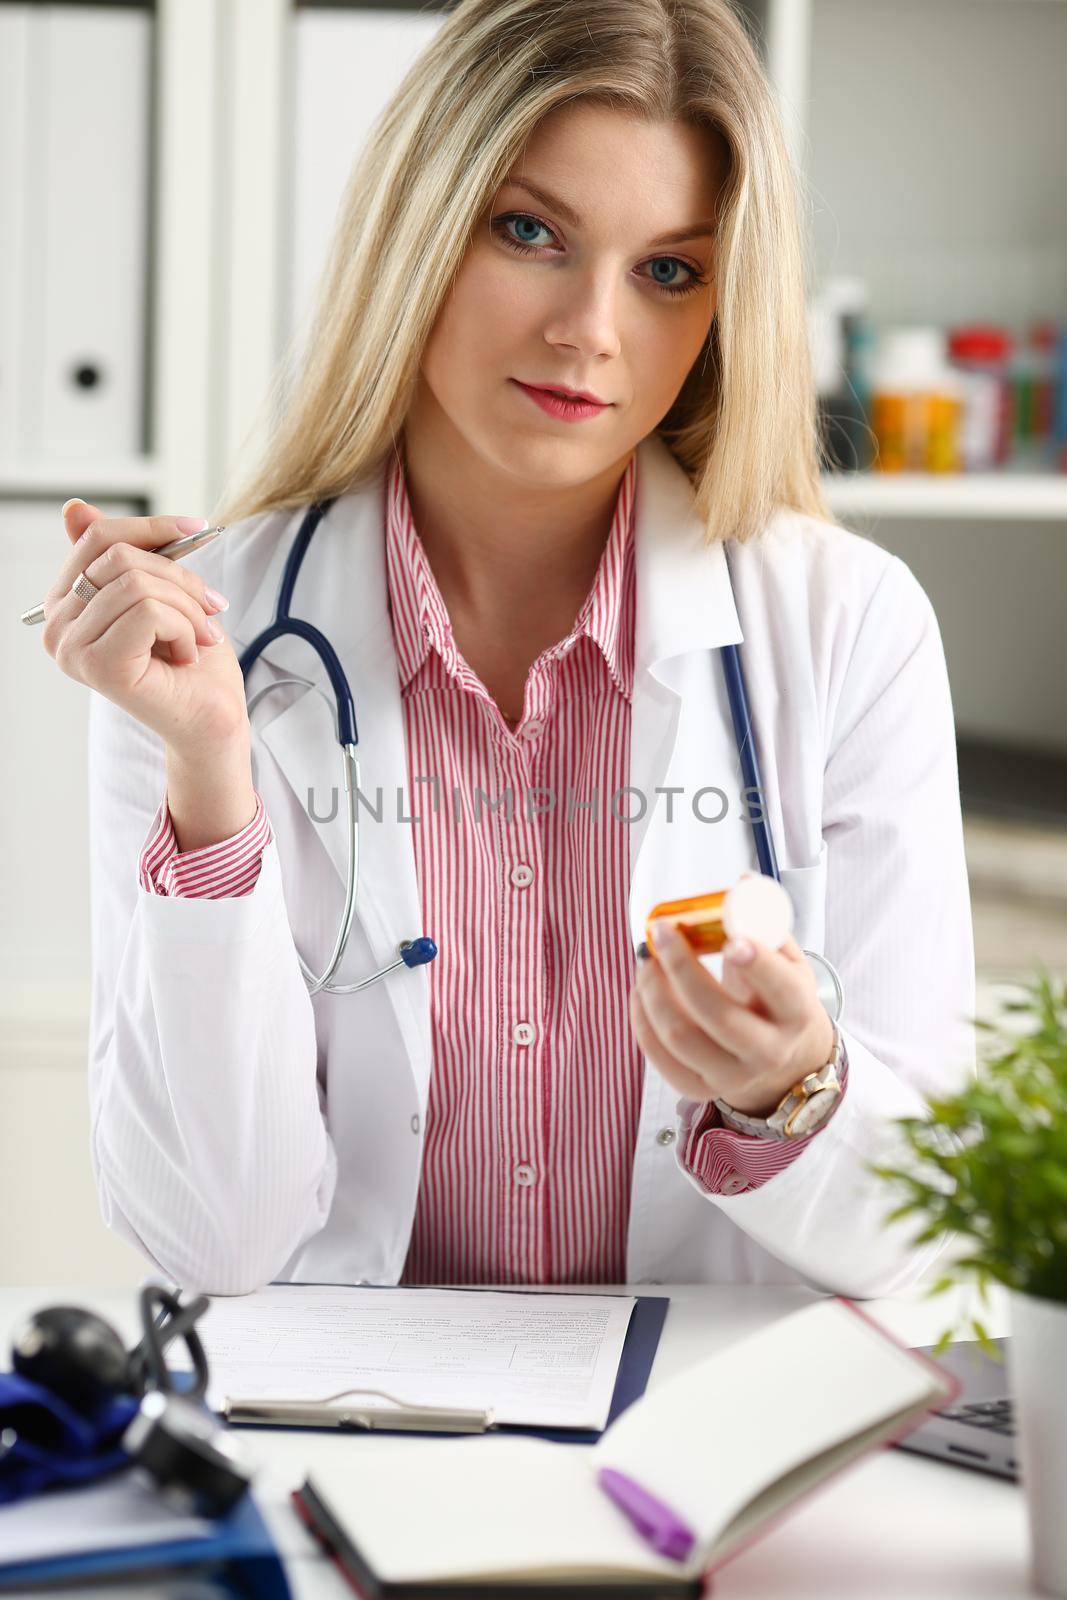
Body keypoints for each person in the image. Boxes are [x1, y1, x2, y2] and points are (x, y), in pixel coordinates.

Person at [41, 0, 974, 1298]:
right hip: (359, 1444)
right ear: (419, 231)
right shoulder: (208, 645)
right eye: (530, 232)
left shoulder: (848, 628)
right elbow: (215, 1241)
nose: (590, 329)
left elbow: (927, 1232)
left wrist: (787, 1094)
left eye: (668, 270)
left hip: (705, 1440)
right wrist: (209, 779)